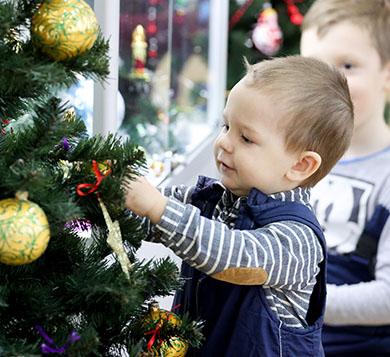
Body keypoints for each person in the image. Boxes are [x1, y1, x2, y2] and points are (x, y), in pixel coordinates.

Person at [125, 56, 354, 356]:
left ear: (300, 165)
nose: (225, 143)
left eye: (246, 138)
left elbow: (233, 257)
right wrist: (114, 196)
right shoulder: (213, 198)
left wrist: (159, 208)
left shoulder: (298, 240)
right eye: (225, 125)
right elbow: (145, 215)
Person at [300, 1, 390, 355]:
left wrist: (299, 294)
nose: (330, 84)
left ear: (387, 72)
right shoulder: (295, 156)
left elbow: (386, 297)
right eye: (315, 69)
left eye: (348, 66)